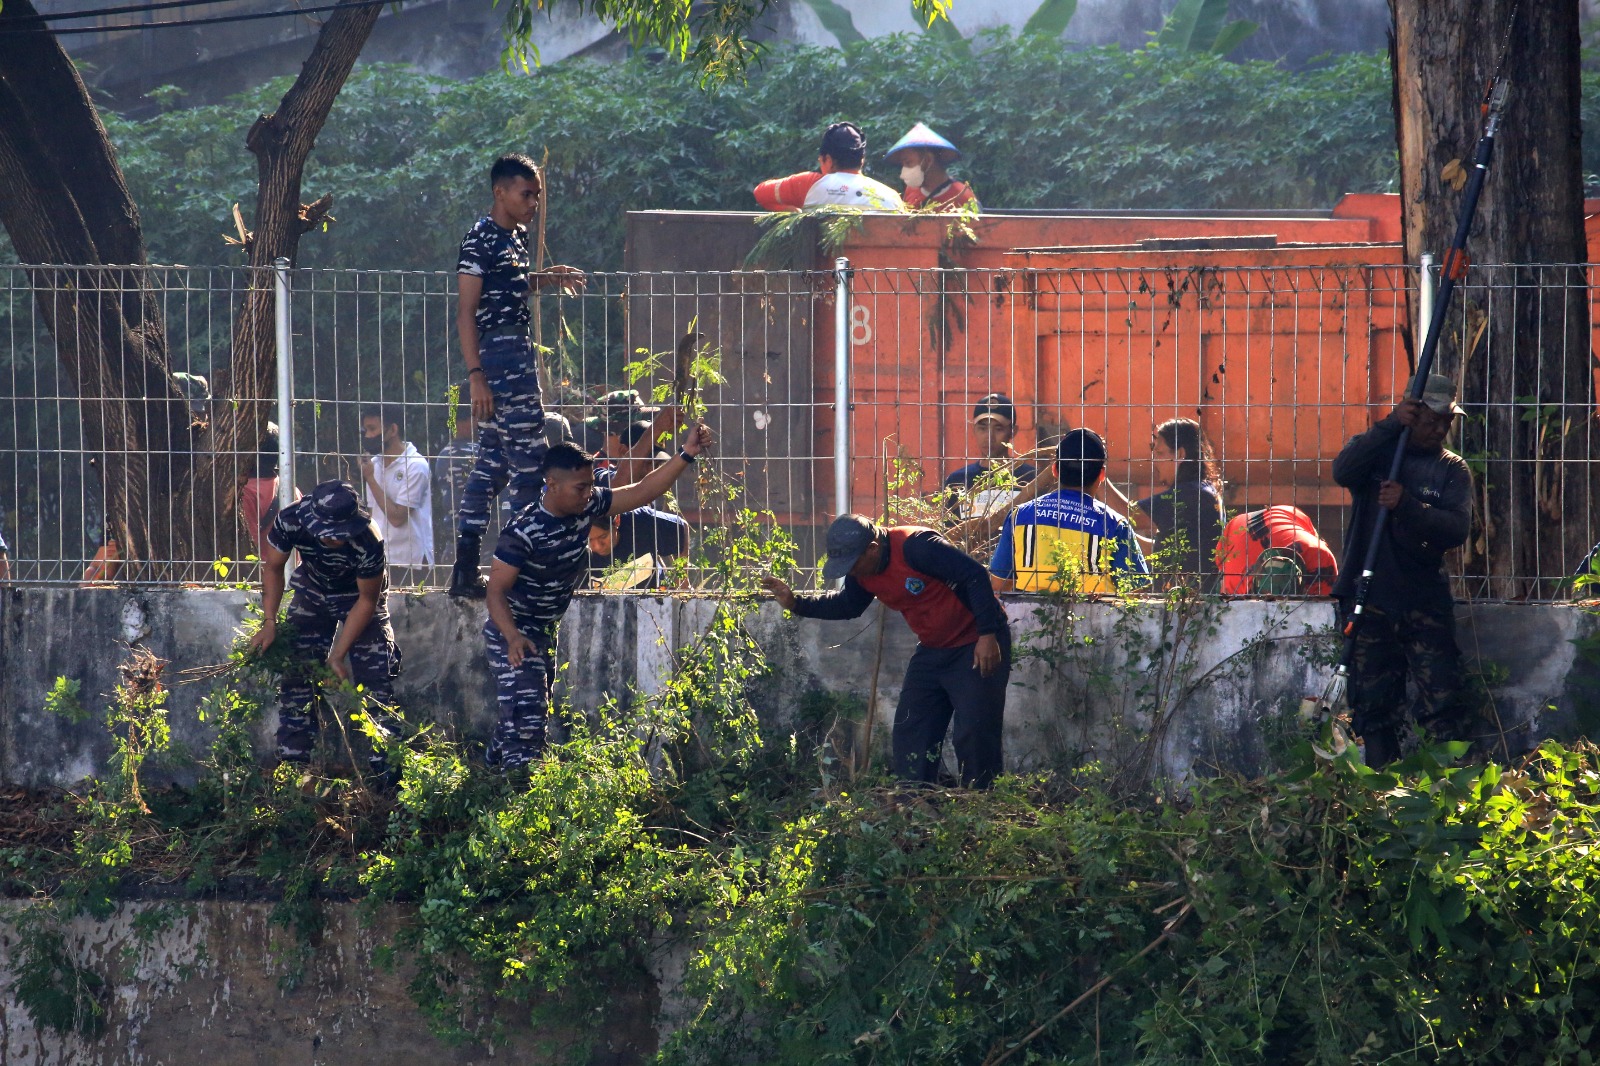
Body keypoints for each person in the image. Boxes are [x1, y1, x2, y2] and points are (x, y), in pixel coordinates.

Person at [484, 423, 714, 770]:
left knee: (521, 711)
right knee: (528, 717)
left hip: (544, 628)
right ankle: (519, 795)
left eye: (592, 485)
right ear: (553, 485)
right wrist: (513, 636)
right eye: (581, 487)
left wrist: (686, 455)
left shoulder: (586, 504)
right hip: (512, 632)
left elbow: (642, 491)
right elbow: (495, 592)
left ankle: (487, 774)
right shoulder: (523, 531)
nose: (590, 493)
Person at [762, 515, 1009, 788]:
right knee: (912, 729)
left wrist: (987, 634)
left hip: (976, 643)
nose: (852, 572)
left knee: (975, 733)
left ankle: (981, 806)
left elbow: (974, 575)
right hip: (932, 649)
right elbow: (848, 606)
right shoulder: (863, 571)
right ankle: (915, 802)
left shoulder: (917, 547)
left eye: (853, 564)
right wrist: (796, 603)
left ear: (873, 547)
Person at [451, 153, 588, 599]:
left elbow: (509, 285)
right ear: (500, 192)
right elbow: (467, 311)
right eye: (525, 194)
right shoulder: (479, 239)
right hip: (499, 355)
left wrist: (546, 279)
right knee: (531, 464)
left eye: (537, 195)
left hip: (517, 350)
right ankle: (522, 566)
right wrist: (476, 374)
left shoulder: (517, 236)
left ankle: (465, 569)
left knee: (492, 462)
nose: (533, 203)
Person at [1331, 376, 1473, 767]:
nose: (1440, 429)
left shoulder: (1451, 469)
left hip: (1423, 601)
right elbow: (1342, 470)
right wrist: (1391, 424)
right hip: (1369, 597)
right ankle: (1383, 787)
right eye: (1431, 419)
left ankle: (1450, 789)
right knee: (1373, 705)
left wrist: (1408, 506)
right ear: (1413, 412)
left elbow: (1456, 528)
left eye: (1447, 421)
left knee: (1443, 699)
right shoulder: (1380, 454)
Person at [247, 480, 405, 778]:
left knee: (377, 687)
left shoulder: (368, 539)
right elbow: (272, 567)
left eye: (340, 534)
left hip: (358, 599)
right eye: (328, 534)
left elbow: (367, 599)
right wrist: (269, 623)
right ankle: (295, 774)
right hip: (312, 593)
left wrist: (337, 655)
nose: (335, 539)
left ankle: (389, 782)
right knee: (297, 678)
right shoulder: (290, 520)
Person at [989, 429, 1149, 594]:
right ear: (1102, 475)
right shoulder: (1115, 525)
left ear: (1055, 470)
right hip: (1097, 618)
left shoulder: (1019, 516)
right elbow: (1137, 594)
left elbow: (998, 586)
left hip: (1029, 617)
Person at [1122, 418, 1227, 589]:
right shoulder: (1205, 490)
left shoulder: (1189, 494)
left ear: (1179, 454)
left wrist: (1099, 479)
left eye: (1160, 453)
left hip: (1186, 604)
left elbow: (1130, 516)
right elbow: (1160, 552)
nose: (1155, 461)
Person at [753, 122, 904, 212]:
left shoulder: (809, 185)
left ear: (828, 160)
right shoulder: (891, 196)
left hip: (823, 265)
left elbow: (760, 193)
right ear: (862, 160)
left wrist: (790, 210)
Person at [359, 405, 434, 573]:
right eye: (365, 430)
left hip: (410, 562)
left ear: (393, 429)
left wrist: (370, 479)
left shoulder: (416, 465)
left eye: (372, 429)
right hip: (380, 558)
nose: (368, 436)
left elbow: (397, 517)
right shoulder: (374, 465)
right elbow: (372, 515)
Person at [942, 393, 1036, 519]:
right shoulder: (957, 481)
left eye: (998, 429)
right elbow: (950, 533)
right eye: (983, 428)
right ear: (973, 429)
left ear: (1013, 431)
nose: (989, 437)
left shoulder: (1031, 478)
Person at [1216, 506, 1339, 597]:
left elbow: (1219, 564)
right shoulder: (1320, 557)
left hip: (1246, 523)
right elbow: (1325, 605)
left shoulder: (1234, 586)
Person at [883, 122, 980, 212]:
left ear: (928, 160)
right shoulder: (911, 190)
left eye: (908, 163)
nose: (903, 174)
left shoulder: (963, 197)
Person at [240, 422, 287, 552]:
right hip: (291, 569)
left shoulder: (245, 493)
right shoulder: (291, 489)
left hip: (263, 571)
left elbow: (249, 547)